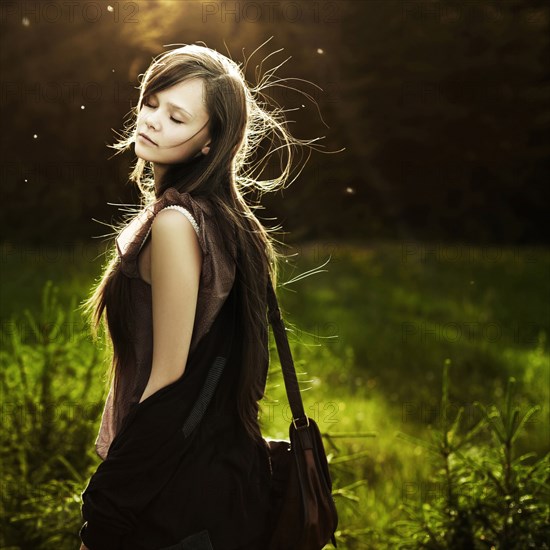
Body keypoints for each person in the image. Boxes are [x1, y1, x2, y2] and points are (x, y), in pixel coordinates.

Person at [77, 42, 321, 550]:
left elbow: (168, 385)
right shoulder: (232, 223)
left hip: (172, 496)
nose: (152, 120)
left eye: (176, 116)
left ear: (210, 142)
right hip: (227, 481)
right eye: (151, 102)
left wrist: (108, 508)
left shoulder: (175, 224)